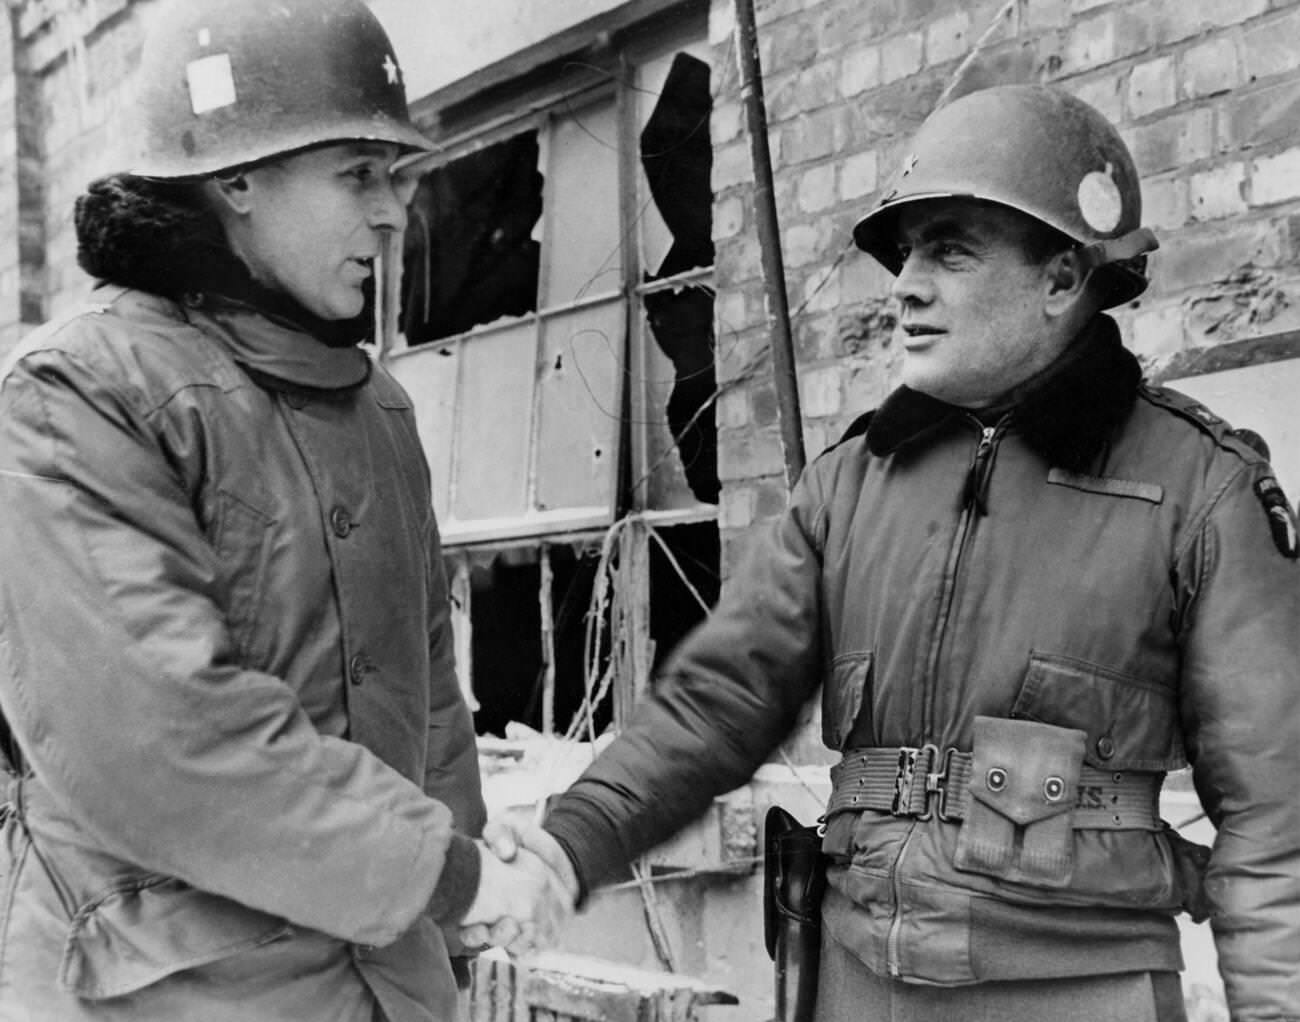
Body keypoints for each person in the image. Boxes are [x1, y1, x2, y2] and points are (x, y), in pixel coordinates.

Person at [505, 84, 1300, 1021]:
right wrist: (571, 842)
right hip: (855, 978)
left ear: (1062, 279)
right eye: (909, 252)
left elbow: (1275, 822)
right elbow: (718, 703)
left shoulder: (1200, 489)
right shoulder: (850, 486)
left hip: (1080, 989)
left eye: (951, 250)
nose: (907, 283)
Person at [0, 1, 569, 1019]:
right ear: (237, 180)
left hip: (381, 986)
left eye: (393, 175)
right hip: (167, 993)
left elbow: (430, 701)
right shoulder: (76, 393)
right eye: (358, 174)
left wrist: (461, 883)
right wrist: (450, 874)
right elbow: (163, 740)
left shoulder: (375, 404)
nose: (393, 210)